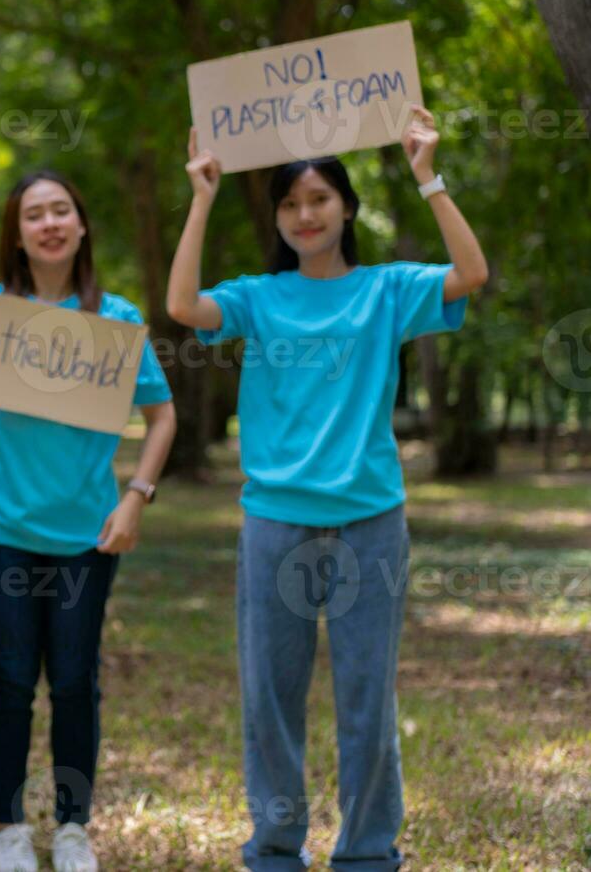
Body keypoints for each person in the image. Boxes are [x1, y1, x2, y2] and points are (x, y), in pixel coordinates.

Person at [165, 107, 489, 871]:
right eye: (290, 203)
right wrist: (203, 196)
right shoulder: (258, 295)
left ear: (346, 207)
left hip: (370, 523)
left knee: (367, 699)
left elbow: (471, 275)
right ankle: (276, 850)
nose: (305, 215)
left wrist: (428, 176)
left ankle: (368, 853)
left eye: (319, 199)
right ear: (278, 217)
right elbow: (183, 307)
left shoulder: (387, 290)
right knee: (269, 702)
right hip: (275, 522)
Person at [0, 170, 177, 872]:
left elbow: (163, 414)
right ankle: (7, 827)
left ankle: (72, 826)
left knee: (78, 679)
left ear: (82, 226)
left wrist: (136, 497)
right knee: (12, 676)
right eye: (35, 214)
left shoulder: (115, 319)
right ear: (18, 234)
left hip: (89, 532)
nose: (50, 222)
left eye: (62, 210)